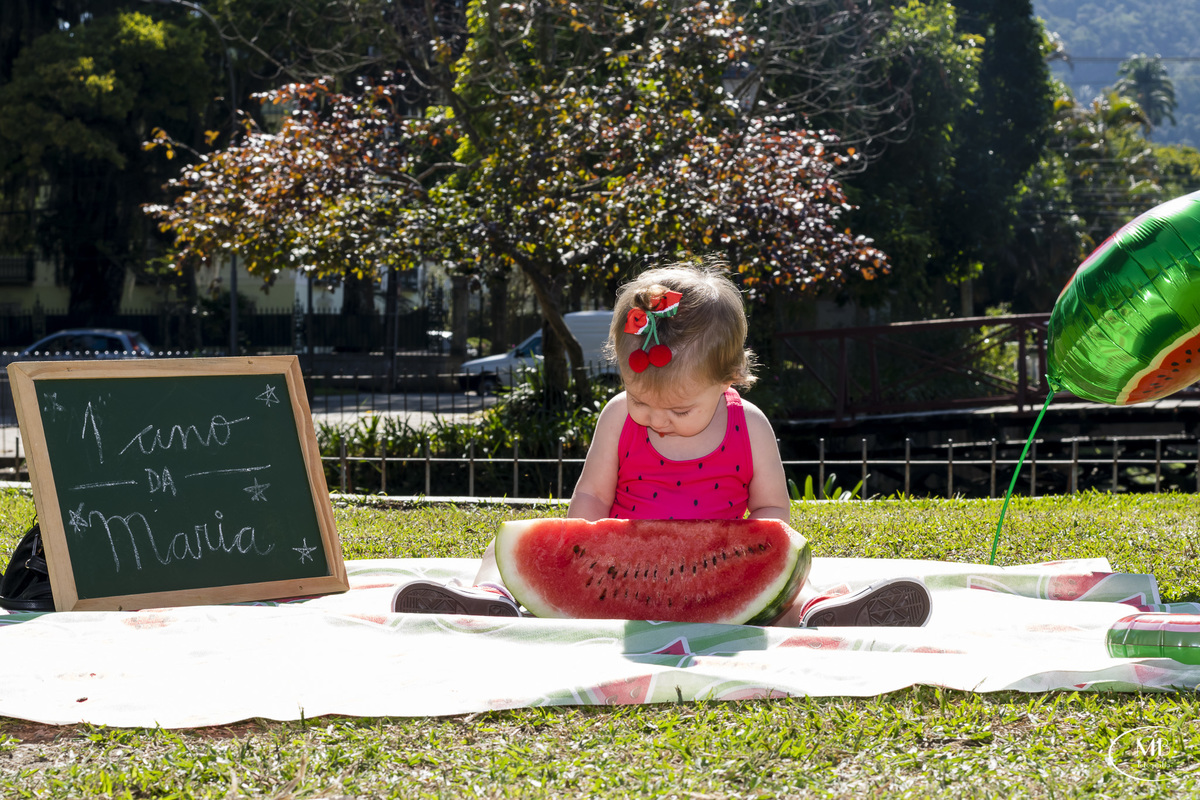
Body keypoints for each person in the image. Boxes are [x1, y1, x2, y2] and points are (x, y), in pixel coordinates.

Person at [393, 260, 931, 627]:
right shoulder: (618, 419)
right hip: (619, 575)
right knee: (503, 548)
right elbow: (591, 498)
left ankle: (821, 611)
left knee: (795, 572)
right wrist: (576, 552)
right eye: (641, 400)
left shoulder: (752, 427)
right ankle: (492, 599)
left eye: (678, 410)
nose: (655, 420)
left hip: (717, 569)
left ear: (729, 381)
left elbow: (772, 510)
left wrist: (767, 548)